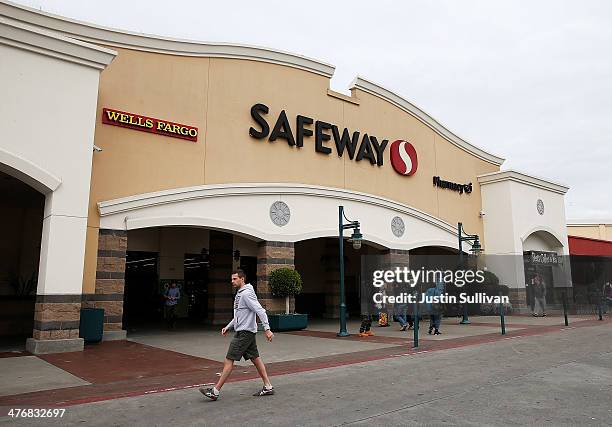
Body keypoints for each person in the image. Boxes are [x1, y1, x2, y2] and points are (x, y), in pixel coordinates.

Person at [200, 270, 274, 401]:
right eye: (232, 279)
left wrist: (267, 329)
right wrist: (228, 327)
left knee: (229, 360)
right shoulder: (240, 294)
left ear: (242, 279)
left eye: (235, 279)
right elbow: (239, 316)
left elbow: (261, 311)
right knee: (255, 358)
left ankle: (215, 391)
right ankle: (268, 386)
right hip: (245, 332)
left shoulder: (246, 295)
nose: (232, 281)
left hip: (244, 333)